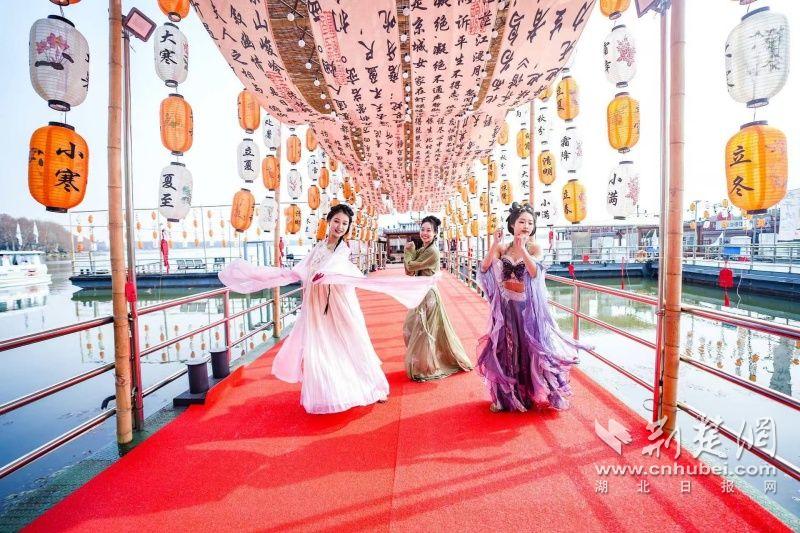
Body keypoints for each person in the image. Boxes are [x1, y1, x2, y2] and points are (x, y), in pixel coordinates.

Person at [219, 204, 436, 414]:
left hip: (338, 302)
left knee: (352, 342)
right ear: (329, 222)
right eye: (337, 221)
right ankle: (328, 393)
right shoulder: (319, 247)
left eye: (345, 223)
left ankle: (372, 386)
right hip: (316, 301)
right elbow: (304, 269)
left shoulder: (343, 250)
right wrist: (280, 275)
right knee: (320, 345)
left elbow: (338, 268)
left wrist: (326, 274)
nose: (340, 227)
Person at [477, 202, 588, 412]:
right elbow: (484, 268)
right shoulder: (502, 248)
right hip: (506, 307)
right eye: (522, 222)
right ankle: (506, 397)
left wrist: (522, 250)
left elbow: (535, 273)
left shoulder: (535, 248)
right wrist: (494, 244)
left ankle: (528, 393)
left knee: (529, 350)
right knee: (506, 351)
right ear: (512, 225)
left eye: (530, 223)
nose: (526, 226)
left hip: (527, 309)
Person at [402, 215, 473, 381]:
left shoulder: (432, 251)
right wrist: (410, 253)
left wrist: (408, 252)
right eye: (423, 229)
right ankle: (424, 363)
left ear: (435, 233)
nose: (425, 233)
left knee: (423, 330)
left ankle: (426, 366)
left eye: (429, 230)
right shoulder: (423, 249)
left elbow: (410, 265)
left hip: (429, 295)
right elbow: (409, 271)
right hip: (421, 293)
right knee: (412, 327)